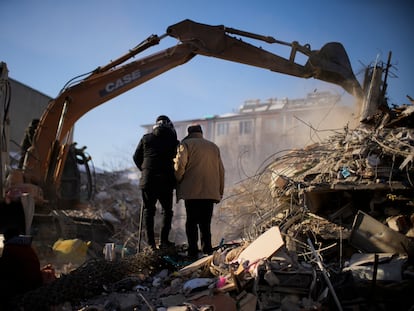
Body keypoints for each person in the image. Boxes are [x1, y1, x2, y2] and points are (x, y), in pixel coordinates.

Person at [174, 124, 225, 259]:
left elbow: (180, 166)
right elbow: (221, 171)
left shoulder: (186, 144)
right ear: (201, 133)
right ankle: (207, 250)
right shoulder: (213, 147)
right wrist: (219, 191)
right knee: (205, 223)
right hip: (210, 192)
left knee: (191, 221)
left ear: (189, 132)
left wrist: (178, 180)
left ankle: (193, 251)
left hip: (192, 191)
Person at [133, 115, 179, 249]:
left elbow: (136, 157)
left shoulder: (146, 138)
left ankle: (150, 243)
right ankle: (164, 241)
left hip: (148, 181)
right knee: (167, 211)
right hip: (166, 181)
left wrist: (144, 169)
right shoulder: (174, 141)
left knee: (149, 211)